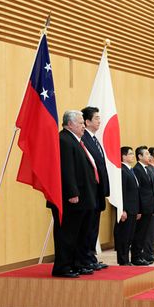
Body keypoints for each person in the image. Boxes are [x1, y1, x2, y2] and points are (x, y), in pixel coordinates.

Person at [50, 110, 98, 278]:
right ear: (69, 124)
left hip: (82, 197)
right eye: (80, 123)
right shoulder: (64, 140)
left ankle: (76, 264)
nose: (83, 126)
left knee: (78, 234)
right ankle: (62, 267)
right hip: (70, 198)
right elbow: (66, 169)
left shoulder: (75, 140)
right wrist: (72, 192)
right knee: (67, 234)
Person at [80, 106, 109, 270]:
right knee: (87, 228)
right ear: (87, 121)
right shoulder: (83, 140)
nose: (100, 121)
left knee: (93, 227)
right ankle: (85, 258)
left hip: (97, 192)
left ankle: (91, 256)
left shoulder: (95, 139)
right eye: (97, 118)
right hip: (89, 192)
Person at [114, 146, 140, 266]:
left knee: (130, 236)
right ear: (123, 156)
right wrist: (122, 210)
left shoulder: (130, 170)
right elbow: (121, 192)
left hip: (133, 209)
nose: (132, 156)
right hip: (126, 210)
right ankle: (123, 260)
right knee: (123, 236)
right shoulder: (122, 171)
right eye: (130, 154)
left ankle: (126, 259)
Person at [131, 146, 154, 266]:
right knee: (139, 233)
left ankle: (142, 255)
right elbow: (138, 191)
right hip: (142, 207)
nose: (149, 156)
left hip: (149, 206)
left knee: (145, 233)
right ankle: (136, 257)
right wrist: (139, 208)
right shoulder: (137, 170)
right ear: (139, 156)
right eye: (146, 154)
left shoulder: (147, 169)